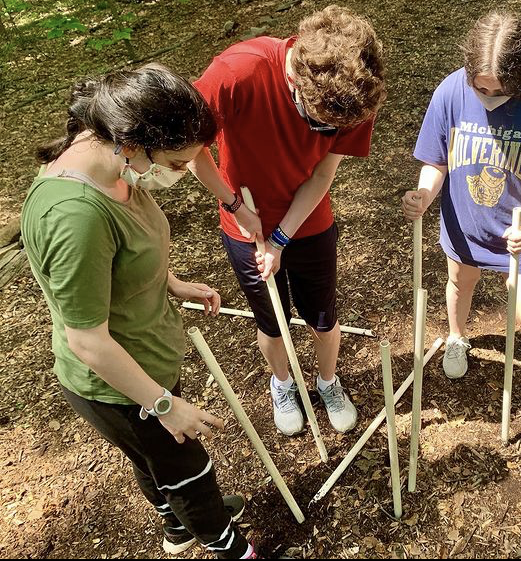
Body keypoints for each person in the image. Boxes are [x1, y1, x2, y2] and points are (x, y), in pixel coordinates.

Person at [21, 64, 256, 559]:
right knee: (189, 470)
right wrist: (165, 405)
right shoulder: (74, 216)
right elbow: (87, 338)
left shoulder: (112, 162)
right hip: (119, 385)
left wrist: (173, 284)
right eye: (174, 163)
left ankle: (178, 525)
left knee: (156, 463)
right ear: (133, 142)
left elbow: (121, 259)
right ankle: (227, 544)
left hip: (144, 358)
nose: (177, 173)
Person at [190, 5, 387, 436]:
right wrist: (233, 205)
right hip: (243, 223)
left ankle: (327, 382)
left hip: (309, 220)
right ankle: (282, 383)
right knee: (271, 320)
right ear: (296, 80)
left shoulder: (356, 93)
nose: (324, 133)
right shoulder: (235, 74)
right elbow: (190, 150)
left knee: (322, 316)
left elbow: (321, 174)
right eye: (318, 123)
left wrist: (280, 238)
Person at [402, 11, 521, 422]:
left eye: (501, 89)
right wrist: (425, 195)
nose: (488, 95)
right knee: (460, 284)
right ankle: (457, 338)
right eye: (480, 87)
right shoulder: (451, 92)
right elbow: (436, 161)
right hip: (466, 223)